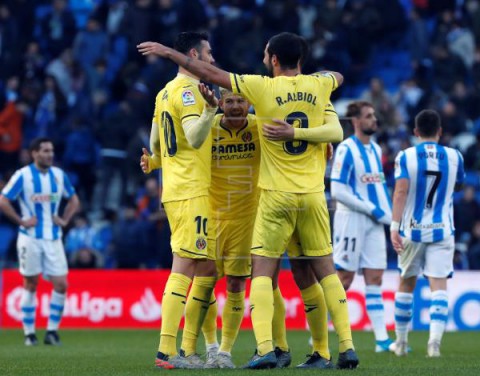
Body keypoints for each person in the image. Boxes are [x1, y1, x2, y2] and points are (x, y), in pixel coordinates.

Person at [138, 31, 358, 369]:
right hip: (291, 199)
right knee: (314, 273)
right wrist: (312, 113)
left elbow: (211, 78)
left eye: (240, 100)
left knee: (261, 277)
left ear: (271, 59)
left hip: (261, 206)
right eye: (229, 101)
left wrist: (169, 53)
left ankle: (266, 348)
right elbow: (337, 118)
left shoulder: (260, 94)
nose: (236, 105)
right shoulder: (318, 89)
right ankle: (337, 349)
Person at [140, 31, 219, 370]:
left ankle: (194, 347)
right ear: (193, 54)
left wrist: (154, 163)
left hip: (175, 189)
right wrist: (210, 112)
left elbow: (156, 144)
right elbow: (193, 136)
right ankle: (167, 351)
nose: (213, 61)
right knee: (185, 267)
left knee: (207, 268)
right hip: (191, 191)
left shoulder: (163, 93)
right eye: (209, 54)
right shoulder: (189, 92)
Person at [390, 109, 465, 357]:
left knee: (406, 283)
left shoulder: (406, 156)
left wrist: (394, 226)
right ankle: (434, 343)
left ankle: (400, 343)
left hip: (412, 230)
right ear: (440, 132)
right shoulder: (455, 156)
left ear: (415, 132)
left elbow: (400, 191)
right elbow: (458, 184)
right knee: (438, 286)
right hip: (442, 229)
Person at [0, 137, 80, 346]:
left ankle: (52, 332)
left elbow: (74, 200)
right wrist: (21, 221)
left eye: (51, 150)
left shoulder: (59, 175)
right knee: (30, 284)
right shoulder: (23, 176)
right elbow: (3, 199)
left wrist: (64, 219)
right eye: (44, 150)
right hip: (30, 239)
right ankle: (29, 333)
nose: (49, 154)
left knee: (61, 285)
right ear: (34, 153)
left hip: (53, 238)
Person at [330, 101, 395, 352]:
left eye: (374, 115)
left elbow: (377, 188)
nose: (374, 119)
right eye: (369, 116)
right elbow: (338, 190)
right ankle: (319, 335)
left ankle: (381, 340)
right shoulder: (346, 149)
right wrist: (372, 209)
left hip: (375, 222)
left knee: (375, 277)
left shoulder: (376, 150)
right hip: (352, 220)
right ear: (356, 121)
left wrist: (389, 217)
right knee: (344, 278)